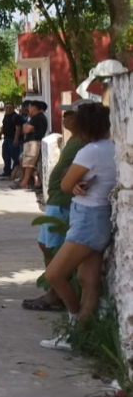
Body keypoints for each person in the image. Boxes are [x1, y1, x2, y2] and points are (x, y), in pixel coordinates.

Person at [41, 103, 116, 350]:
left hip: (86, 218)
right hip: (102, 215)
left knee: (54, 274)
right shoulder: (112, 148)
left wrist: (71, 183)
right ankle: (81, 336)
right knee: (87, 280)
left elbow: (64, 184)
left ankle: (74, 320)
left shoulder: (89, 151)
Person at [23, 109, 81, 312]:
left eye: (70, 114)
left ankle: (55, 294)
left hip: (63, 202)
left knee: (53, 249)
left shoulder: (84, 142)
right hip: (56, 200)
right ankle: (55, 291)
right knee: (45, 244)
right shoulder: (75, 139)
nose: (64, 118)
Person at [19, 100, 50, 191]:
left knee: (29, 163)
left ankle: (25, 182)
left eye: (29, 107)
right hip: (30, 142)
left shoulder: (37, 117)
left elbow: (26, 130)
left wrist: (26, 126)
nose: (28, 109)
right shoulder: (35, 117)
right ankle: (31, 181)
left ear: (34, 108)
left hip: (33, 142)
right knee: (26, 161)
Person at [0, 102, 25, 179]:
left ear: (13, 108)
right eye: (6, 107)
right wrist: (0, 134)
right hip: (6, 139)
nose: (8, 109)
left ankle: (14, 172)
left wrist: (16, 138)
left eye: (10, 107)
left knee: (15, 156)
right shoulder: (6, 116)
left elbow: (18, 128)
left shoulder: (16, 117)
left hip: (13, 139)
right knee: (5, 155)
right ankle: (7, 171)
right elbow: (3, 126)